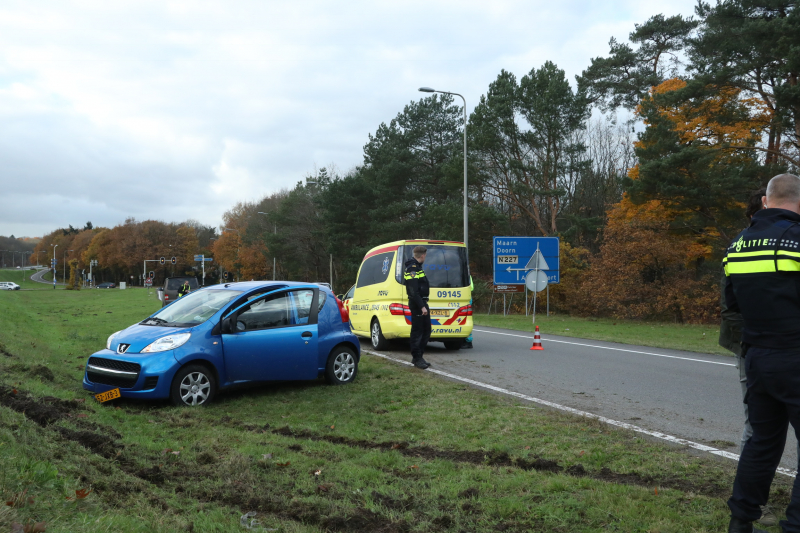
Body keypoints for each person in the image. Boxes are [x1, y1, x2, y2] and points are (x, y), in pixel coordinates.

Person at [725, 174, 800, 533]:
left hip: (756, 356)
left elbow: (733, 304)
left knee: (762, 444)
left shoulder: (738, 245)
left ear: (767, 201)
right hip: (795, 354)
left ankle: (741, 522)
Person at [719, 188, 779, 528]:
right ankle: (757, 503)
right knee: (755, 426)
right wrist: (754, 343)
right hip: (752, 347)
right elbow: (731, 308)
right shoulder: (741, 245)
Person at [404, 246, 431, 369]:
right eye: (425, 255)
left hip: (423, 303)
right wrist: (422, 307)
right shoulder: (412, 269)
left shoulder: (417, 267)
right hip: (418, 304)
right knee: (418, 331)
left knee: (426, 330)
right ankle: (416, 358)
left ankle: (420, 356)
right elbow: (413, 291)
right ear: (423, 255)